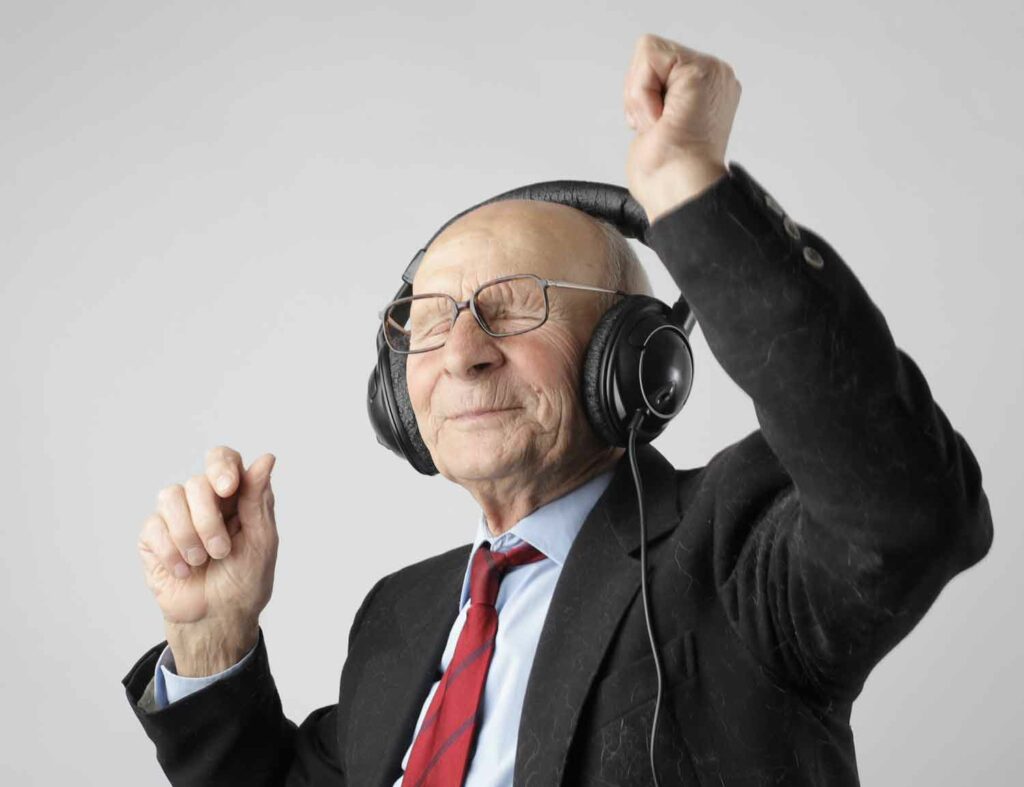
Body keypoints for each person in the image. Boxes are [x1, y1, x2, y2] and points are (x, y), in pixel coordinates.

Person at [122, 33, 993, 786]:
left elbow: (906, 510)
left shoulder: (734, 548)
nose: (462, 351)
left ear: (636, 362)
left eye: (513, 307)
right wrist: (212, 640)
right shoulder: (399, 614)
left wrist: (690, 188)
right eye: (428, 323)